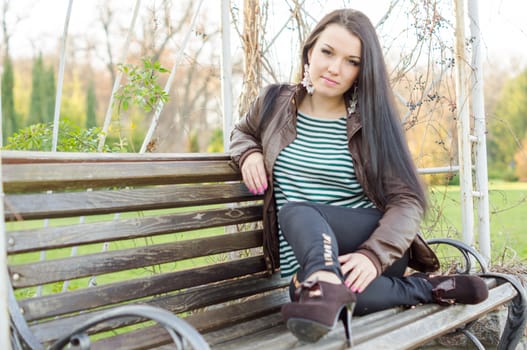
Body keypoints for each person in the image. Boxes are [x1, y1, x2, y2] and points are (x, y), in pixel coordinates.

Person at [229, 8, 488, 344]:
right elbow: (241, 132)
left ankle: (326, 281)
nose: (335, 68)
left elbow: (407, 200)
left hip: (368, 248)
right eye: (327, 52)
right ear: (309, 51)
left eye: (351, 61)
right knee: (304, 297)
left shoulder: (371, 121)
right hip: (307, 263)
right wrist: (248, 153)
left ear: (362, 71)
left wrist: (373, 255)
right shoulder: (273, 102)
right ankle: (421, 288)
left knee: (297, 209)